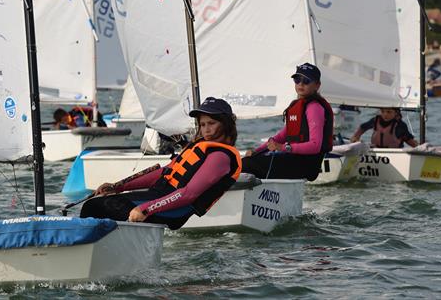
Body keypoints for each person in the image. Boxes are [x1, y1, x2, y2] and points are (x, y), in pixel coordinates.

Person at [80, 97, 241, 230]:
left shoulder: (221, 157)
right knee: (95, 205)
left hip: (175, 209)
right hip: (158, 196)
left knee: (99, 207)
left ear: (225, 124)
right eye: (202, 124)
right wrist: (118, 186)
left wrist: (148, 208)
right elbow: (164, 172)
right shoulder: (198, 146)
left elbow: (189, 194)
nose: (206, 129)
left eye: (211, 123)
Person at [242, 63, 334, 182]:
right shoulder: (297, 106)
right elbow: (282, 136)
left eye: (306, 80)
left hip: (306, 166)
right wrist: (256, 152)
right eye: (297, 79)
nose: (300, 83)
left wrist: (283, 147)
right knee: (245, 162)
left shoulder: (314, 107)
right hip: (293, 160)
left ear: (317, 85)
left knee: (247, 165)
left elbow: (315, 145)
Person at [351, 108, 418, 148]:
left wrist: (418, 147)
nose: (385, 114)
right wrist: (355, 137)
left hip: (394, 154)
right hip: (376, 151)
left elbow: (409, 140)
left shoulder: (400, 125)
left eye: (389, 112)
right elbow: (363, 127)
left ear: (396, 113)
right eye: (383, 111)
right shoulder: (376, 120)